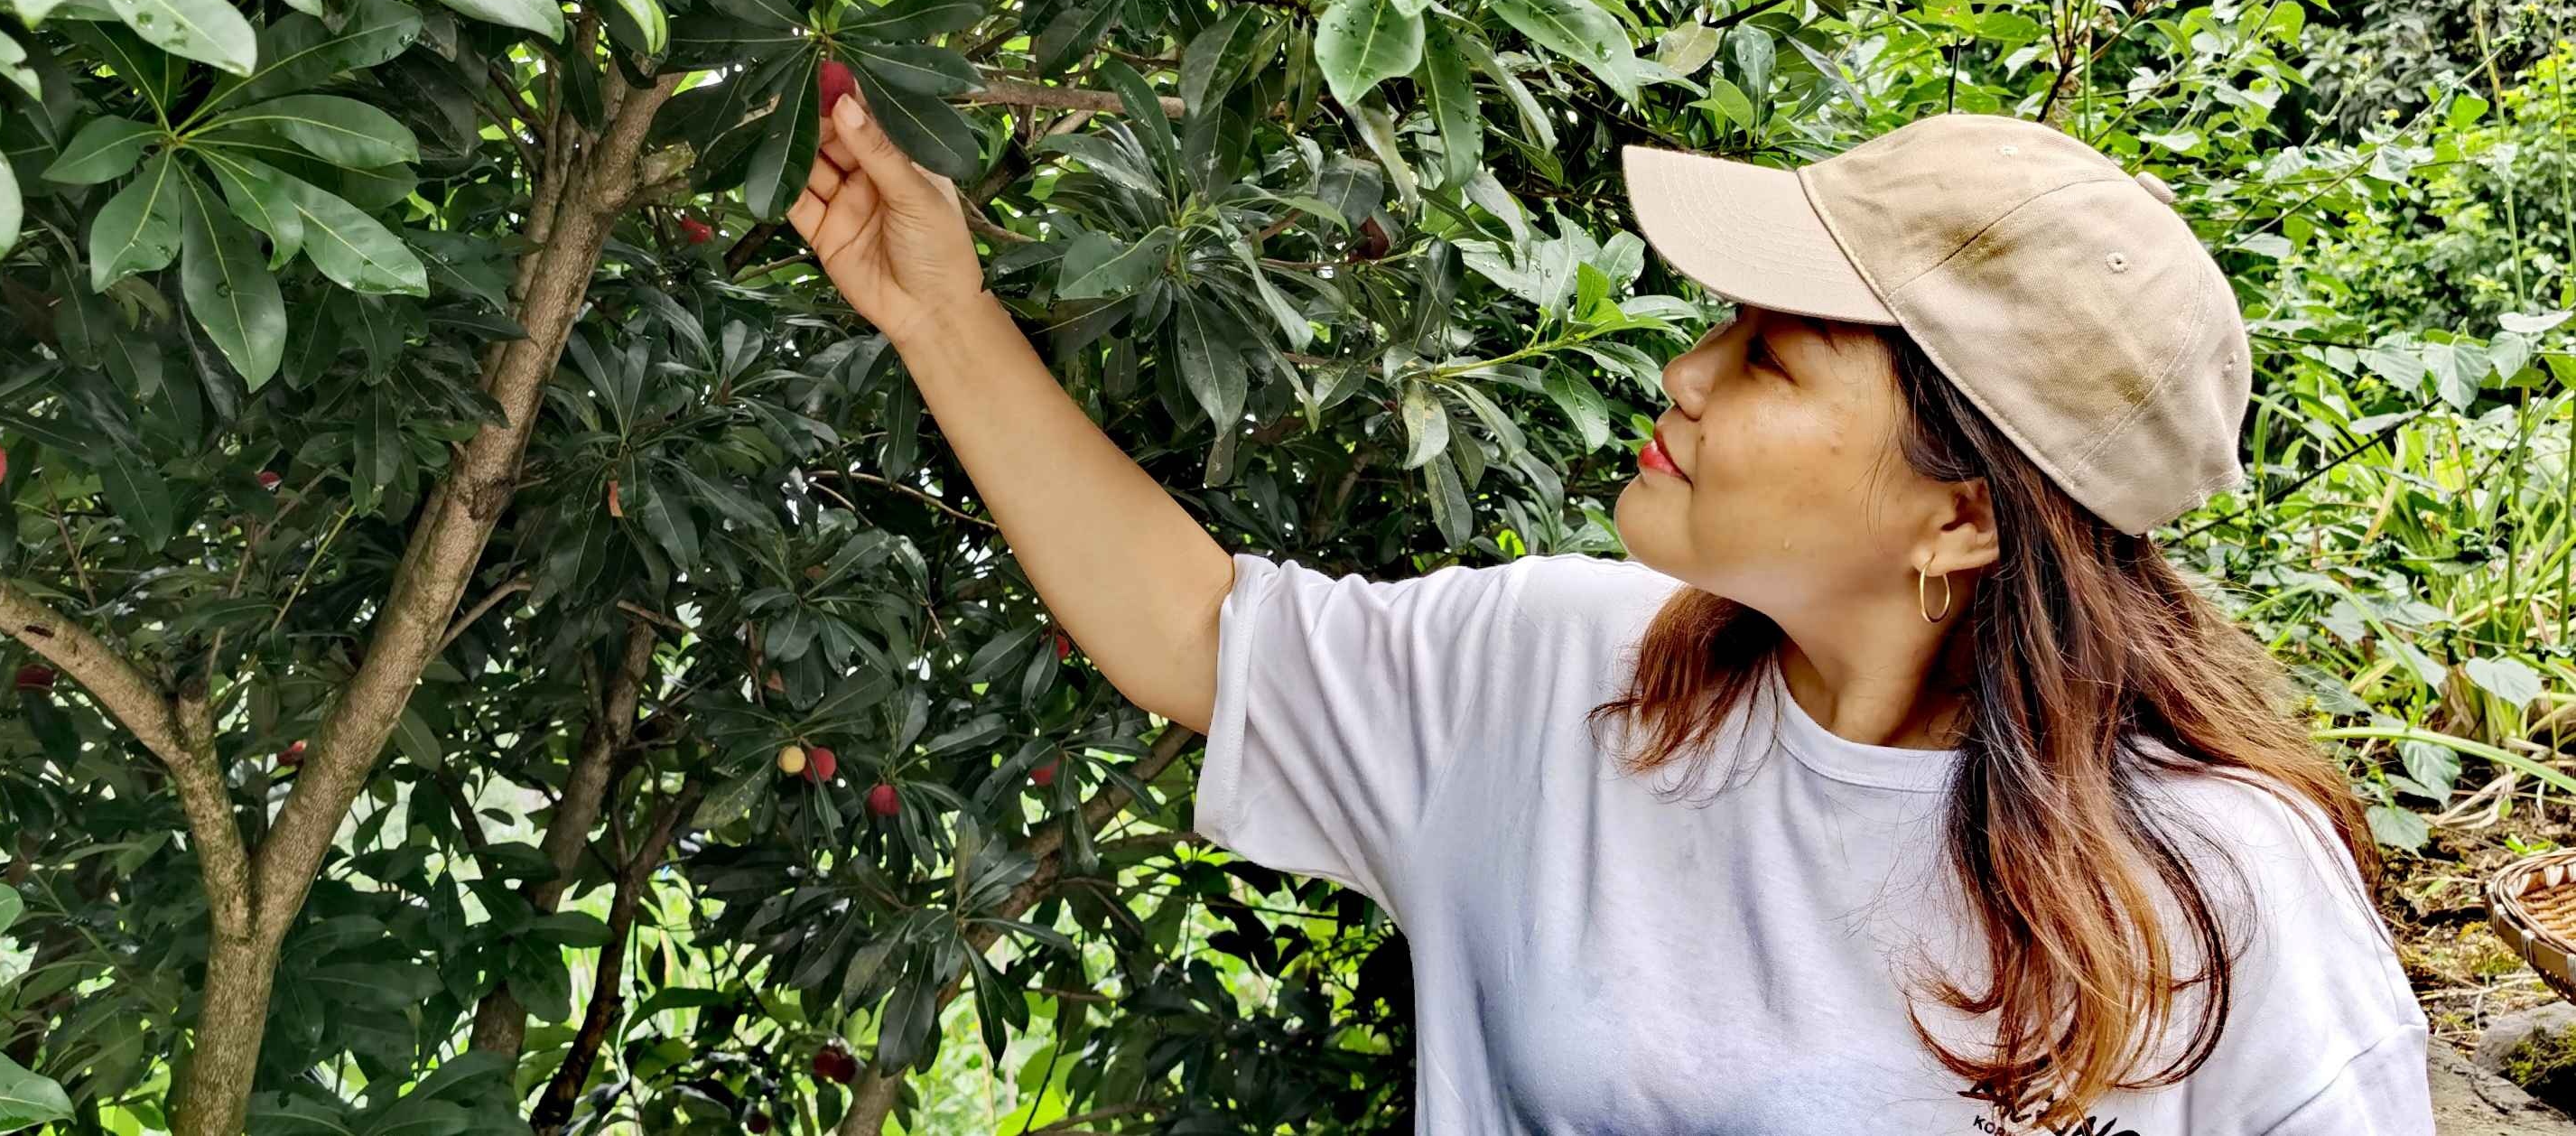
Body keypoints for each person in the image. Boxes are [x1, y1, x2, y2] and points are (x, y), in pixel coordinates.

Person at [786, 90, 2432, 1135]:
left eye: (1774, 357)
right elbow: (1193, 628)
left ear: (1965, 515)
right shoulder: (1568, 674)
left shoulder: (2209, 890)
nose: (1686, 372)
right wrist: (936, 308)